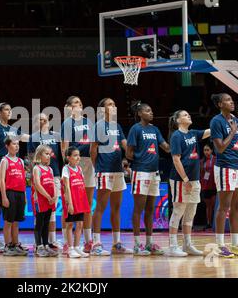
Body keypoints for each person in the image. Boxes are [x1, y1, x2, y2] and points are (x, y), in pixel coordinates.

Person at [210, 93, 238, 258]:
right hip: (225, 167)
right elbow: (220, 148)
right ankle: (220, 245)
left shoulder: (236, 119)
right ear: (220, 104)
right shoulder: (216, 121)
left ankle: (235, 244)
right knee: (224, 207)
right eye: (227, 100)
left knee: (237, 207)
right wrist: (232, 131)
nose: (232, 102)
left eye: (232, 99)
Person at [126, 101, 170, 256]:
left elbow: (167, 147)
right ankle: (137, 245)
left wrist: (172, 132)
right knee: (139, 208)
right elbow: (128, 153)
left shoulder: (155, 129)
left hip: (154, 173)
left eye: (151, 110)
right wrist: (140, 159)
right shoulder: (135, 129)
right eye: (148, 110)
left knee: (151, 209)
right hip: (141, 172)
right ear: (140, 113)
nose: (151, 113)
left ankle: (150, 243)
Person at [90, 98, 132, 255]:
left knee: (116, 207)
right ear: (102, 109)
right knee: (100, 207)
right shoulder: (98, 126)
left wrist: (133, 152)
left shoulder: (117, 126)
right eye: (109, 104)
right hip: (104, 171)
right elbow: (93, 150)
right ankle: (96, 244)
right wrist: (97, 168)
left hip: (117, 171)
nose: (113, 106)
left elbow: (125, 144)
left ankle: (117, 243)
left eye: (114, 104)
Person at [166, 110, 211, 257]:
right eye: (185, 115)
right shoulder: (176, 136)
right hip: (181, 180)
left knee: (191, 213)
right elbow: (176, 159)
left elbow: (209, 132)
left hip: (194, 180)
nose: (188, 116)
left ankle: (187, 245)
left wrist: (223, 122)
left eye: (188, 114)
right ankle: (173, 246)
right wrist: (185, 179)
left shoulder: (193, 134)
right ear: (178, 120)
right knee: (179, 210)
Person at [61, 96, 95, 253]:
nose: (79, 105)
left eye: (81, 103)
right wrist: (68, 166)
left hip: (88, 163)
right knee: (70, 204)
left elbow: (94, 145)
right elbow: (64, 147)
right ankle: (67, 242)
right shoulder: (67, 123)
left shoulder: (89, 123)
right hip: (75, 164)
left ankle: (88, 241)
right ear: (69, 107)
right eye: (75, 103)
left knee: (87, 204)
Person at [27, 113, 63, 250]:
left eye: (44, 119)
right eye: (39, 119)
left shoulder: (56, 136)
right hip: (40, 176)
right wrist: (32, 178)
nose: (42, 121)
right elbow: (31, 158)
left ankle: (52, 241)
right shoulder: (33, 137)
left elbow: (61, 155)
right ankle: (40, 243)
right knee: (40, 211)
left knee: (52, 210)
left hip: (54, 175)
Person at [0, 136, 29, 256]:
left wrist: (25, 196)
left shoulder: (21, 161)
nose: (17, 146)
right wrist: (4, 197)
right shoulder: (4, 161)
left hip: (20, 193)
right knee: (8, 221)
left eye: (18, 144)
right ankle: (7, 245)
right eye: (14, 144)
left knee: (16, 222)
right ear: (7, 146)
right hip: (10, 193)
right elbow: (1, 180)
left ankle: (15, 244)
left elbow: (22, 180)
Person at [61, 146, 90, 258]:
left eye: (78, 155)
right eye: (75, 155)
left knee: (80, 224)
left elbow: (81, 185)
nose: (78, 157)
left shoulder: (79, 169)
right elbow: (67, 187)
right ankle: (70, 248)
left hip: (80, 200)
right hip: (71, 201)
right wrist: (70, 203)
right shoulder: (66, 169)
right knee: (69, 225)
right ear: (68, 157)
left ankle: (77, 247)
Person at [32, 145, 59, 257]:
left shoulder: (50, 169)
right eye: (46, 154)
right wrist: (48, 196)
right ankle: (38, 247)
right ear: (39, 155)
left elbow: (53, 184)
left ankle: (46, 245)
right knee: (39, 223)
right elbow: (37, 184)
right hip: (41, 199)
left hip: (49, 200)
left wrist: (54, 197)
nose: (49, 156)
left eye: (50, 154)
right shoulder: (36, 168)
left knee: (46, 223)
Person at [200, 143, 216, 230]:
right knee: (208, 206)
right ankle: (209, 223)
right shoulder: (202, 161)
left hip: (214, 186)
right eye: (204, 150)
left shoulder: (216, 160)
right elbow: (201, 175)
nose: (206, 152)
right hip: (205, 187)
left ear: (212, 150)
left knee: (214, 205)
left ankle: (215, 223)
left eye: (207, 150)